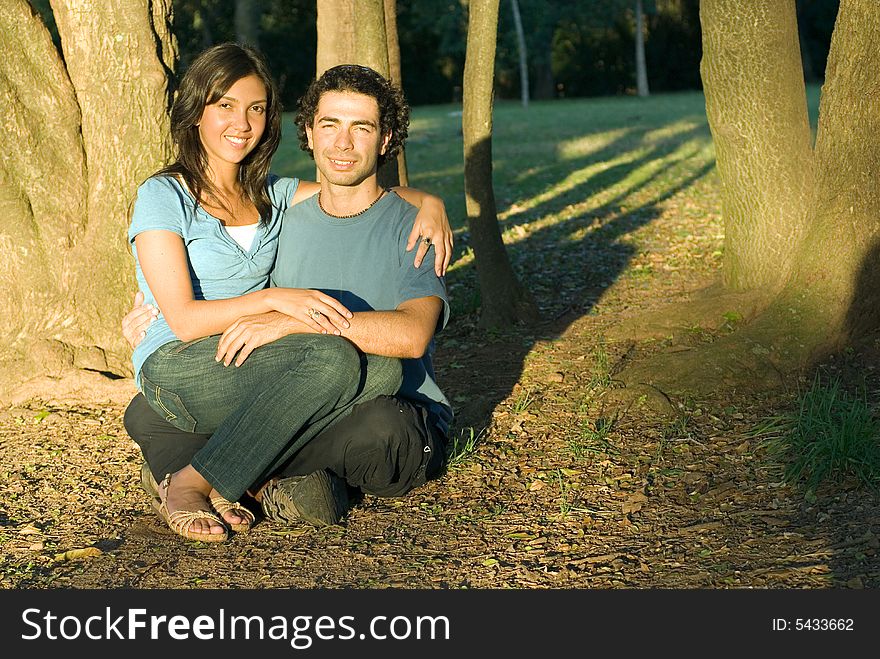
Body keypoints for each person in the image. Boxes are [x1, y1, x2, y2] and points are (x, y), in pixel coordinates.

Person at [125, 43, 452, 543]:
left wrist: (430, 199)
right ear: (196, 113)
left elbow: (349, 190)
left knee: (382, 372)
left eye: (255, 108)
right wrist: (274, 301)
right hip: (191, 355)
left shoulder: (272, 196)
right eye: (225, 105)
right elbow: (186, 319)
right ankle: (208, 481)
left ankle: (212, 469)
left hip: (260, 363)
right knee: (339, 365)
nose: (242, 122)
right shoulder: (164, 195)